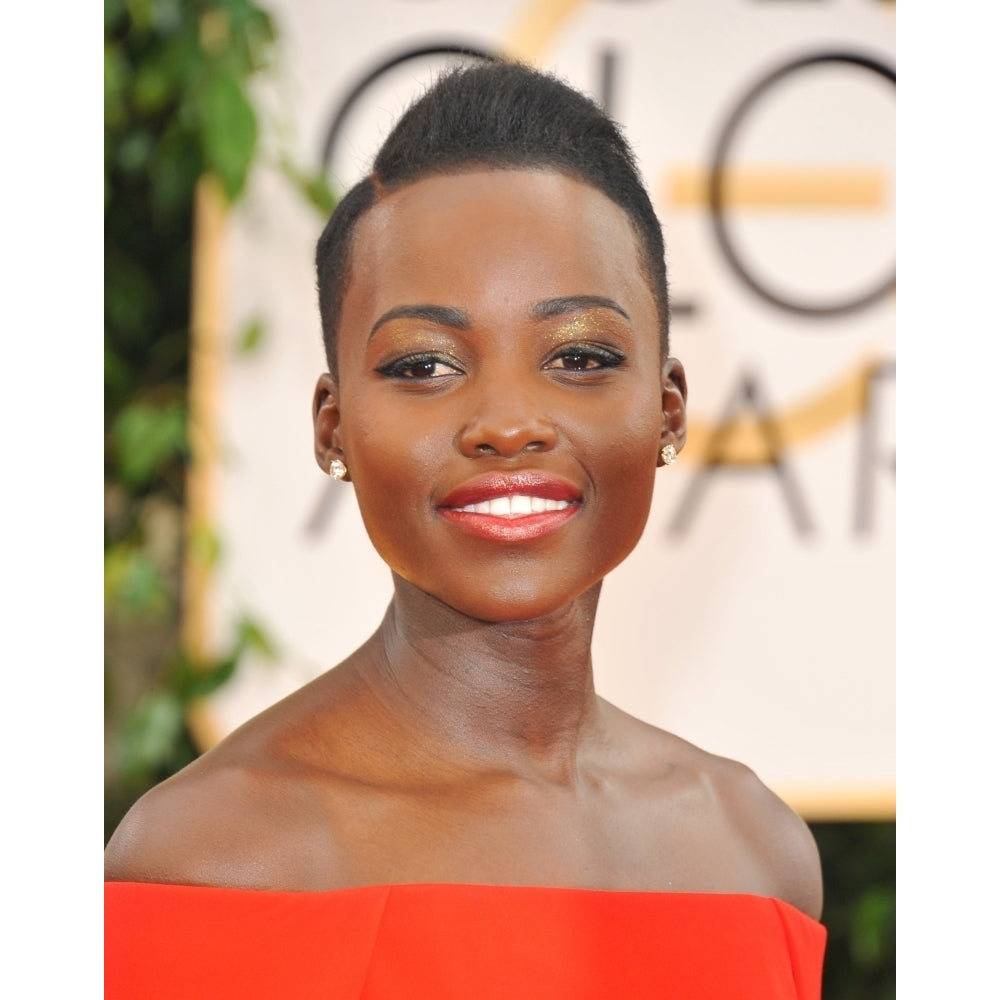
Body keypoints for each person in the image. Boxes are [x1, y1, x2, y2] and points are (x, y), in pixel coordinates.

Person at [105, 60, 826, 998]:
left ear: (667, 407)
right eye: (425, 366)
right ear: (334, 425)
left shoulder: (756, 855)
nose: (508, 422)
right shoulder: (210, 861)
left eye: (579, 355)